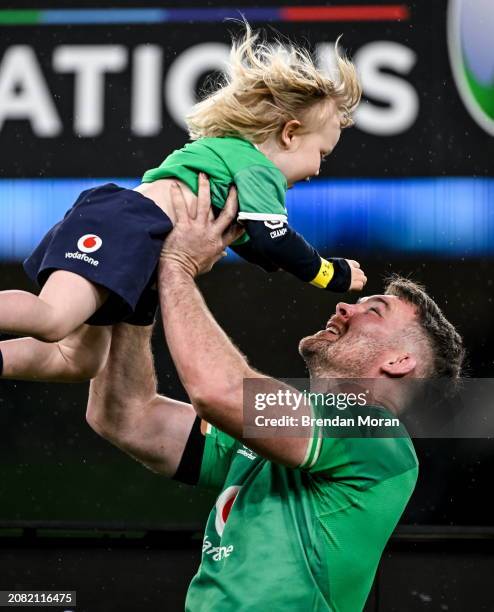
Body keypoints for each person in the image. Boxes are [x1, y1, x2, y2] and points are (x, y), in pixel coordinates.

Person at [86, 177, 465, 611]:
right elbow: (124, 416)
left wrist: (175, 264)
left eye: (373, 310)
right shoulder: (277, 439)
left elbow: (219, 392)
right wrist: (140, 294)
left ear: (399, 362)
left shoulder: (374, 433)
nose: (345, 306)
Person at [0, 24, 366, 383]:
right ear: (289, 134)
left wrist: (274, 257)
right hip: (127, 224)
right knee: (52, 318)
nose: (318, 169)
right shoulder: (258, 169)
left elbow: (258, 245)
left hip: (134, 239)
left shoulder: (230, 165)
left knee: (78, 360)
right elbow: (275, 240)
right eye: (322, 153)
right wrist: (330, 273)